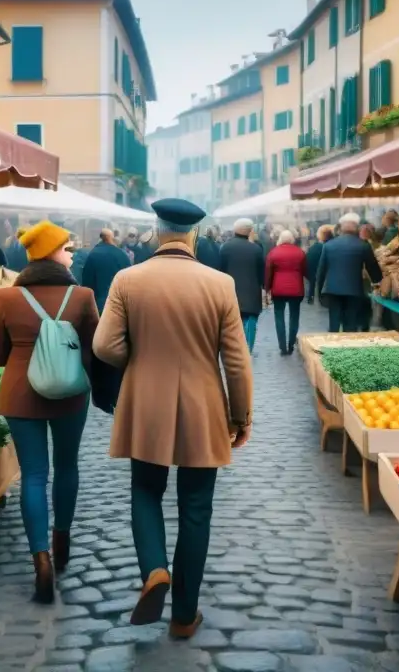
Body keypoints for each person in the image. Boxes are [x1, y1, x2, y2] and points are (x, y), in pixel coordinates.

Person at [93, 198, 253, 640]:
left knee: (145, 491)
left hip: (145, 400)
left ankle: (154, 569)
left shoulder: (128, 279)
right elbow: (237, 362)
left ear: (156, 232)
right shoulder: (219, 284)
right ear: (194, 235)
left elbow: (104, 345)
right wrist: (240, 417)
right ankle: (184, 616)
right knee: (196, 508)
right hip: (203, 405)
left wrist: (137, 359)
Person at [0, 221, 100, 604]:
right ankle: (62, 541)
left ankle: (42, 562)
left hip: (21, 396)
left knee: (33, 475)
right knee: (67, 466)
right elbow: (94, 349)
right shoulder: (83, 296)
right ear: (51, 253)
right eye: (66, 247)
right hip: (70, 396)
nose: (71, 253)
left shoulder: (6, 298)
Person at [316, 213, 383, 332]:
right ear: (357, 227)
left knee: (334, 323)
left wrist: (319, 291)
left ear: (341, 227)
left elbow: (321, 270)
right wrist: (378, 281)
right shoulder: (363, 246)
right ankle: (349, 346)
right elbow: (373, 268)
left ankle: (333, 346)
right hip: (354, 290)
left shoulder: (328, 245)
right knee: (350, 323)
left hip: (333, 290)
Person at [219, 218, 265, 351]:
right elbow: (261, 272)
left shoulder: (225, 247)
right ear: (250, 231)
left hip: (230, 291)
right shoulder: (256, 249)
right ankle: (247, 349)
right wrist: (263, 287)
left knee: (231, 322)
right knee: (250, 321)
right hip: (251, 293)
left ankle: (233, 347)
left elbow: (220, 270)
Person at [265, 230, 307, 355]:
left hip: (278, 289)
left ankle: (282, 346)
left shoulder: (273, 253)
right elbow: (305, 270)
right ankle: (291, 344)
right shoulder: (300, 252)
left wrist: (267, 288)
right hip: (296, 289)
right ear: (292, 239)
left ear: (280, 239)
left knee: (279, 316)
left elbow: (268, 273)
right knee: (294, 316)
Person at [82, 229, 133, 313]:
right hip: (120, 304)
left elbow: (87, 283)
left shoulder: (93, 254)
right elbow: (129, 280)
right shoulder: (122, 254)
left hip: (99, 305)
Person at [304, 225, 333, 305]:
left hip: (311, 270)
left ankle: (311, 296)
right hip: (323, 272)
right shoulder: (328, 246)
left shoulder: (314, 246)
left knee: (313, 281)